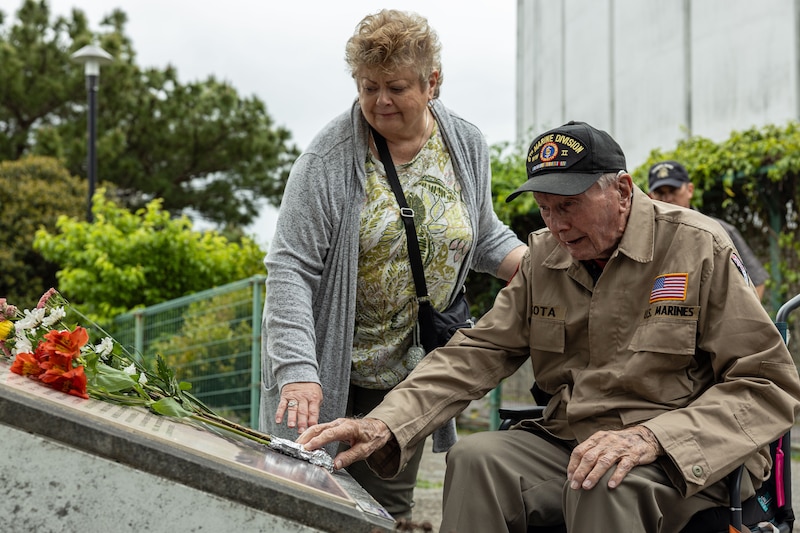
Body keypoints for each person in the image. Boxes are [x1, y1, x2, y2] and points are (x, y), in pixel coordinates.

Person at [297, 121, 800, 532]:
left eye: (568, 206)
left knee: (604, 482)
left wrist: (654, 437)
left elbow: (767, 384)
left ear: (622, 190)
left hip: (681, 449)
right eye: (543, 208)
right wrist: (386, 421)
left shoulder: (698, 246)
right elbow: (475, 353)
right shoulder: (546, 257)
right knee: (476, 459)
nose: (555, 225)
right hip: (574, 439)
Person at [259, 9, 526, 520]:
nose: (380, 101)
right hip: (327, 373)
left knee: (385, 511)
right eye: (368, 87)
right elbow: (290, 267)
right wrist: (296, 371)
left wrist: (536, 267)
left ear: (433, 83)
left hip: (409, 373)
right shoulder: (328, 159)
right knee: (309, 503)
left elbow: (482, 232)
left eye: (397, 87)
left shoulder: (464, 143)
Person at [648, 160, 769, 299]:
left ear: (690, 190)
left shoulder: (718, 231)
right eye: (659, 193)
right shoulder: (644, 238)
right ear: (650, 197)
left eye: (673, 190)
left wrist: (743, 319)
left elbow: (756, 280)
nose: (667, 198)